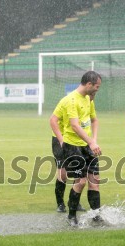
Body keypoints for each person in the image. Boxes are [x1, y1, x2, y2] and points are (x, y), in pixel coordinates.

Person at [56, 71, 102, 226]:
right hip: (72, 146)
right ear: (89, 84)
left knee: (94, 181)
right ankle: (71, 215)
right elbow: (75, 125)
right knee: (81, 182)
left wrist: (93, 140)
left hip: (87, 145)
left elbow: (95, 120)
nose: (97, 89)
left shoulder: (89, 99)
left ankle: (96, 215)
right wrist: (91, 142)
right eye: (96, 86)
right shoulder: (71, 100)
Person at [49, 92, 96, 213]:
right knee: (63, 174)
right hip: (61, 139)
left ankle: (74, 202)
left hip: (77, 141)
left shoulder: (88, 102)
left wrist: (91, 139)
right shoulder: (67, 101)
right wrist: (61, 140)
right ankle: (60, 203)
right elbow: (53, 120)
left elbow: (92, 120)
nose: (92, 97)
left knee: (78, 174)